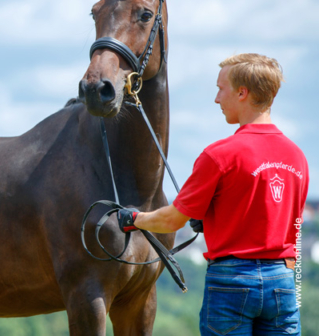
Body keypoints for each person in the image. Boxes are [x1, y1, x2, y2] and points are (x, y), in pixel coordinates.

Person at [116, 53, 308, 335]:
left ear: (242, 93)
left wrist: (134, 218)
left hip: (232, 282)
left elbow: (171, 221)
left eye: (221, 89)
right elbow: (279, 219)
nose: (217, 99)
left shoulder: (219, 155)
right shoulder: (297, 157)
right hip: (283, 281)